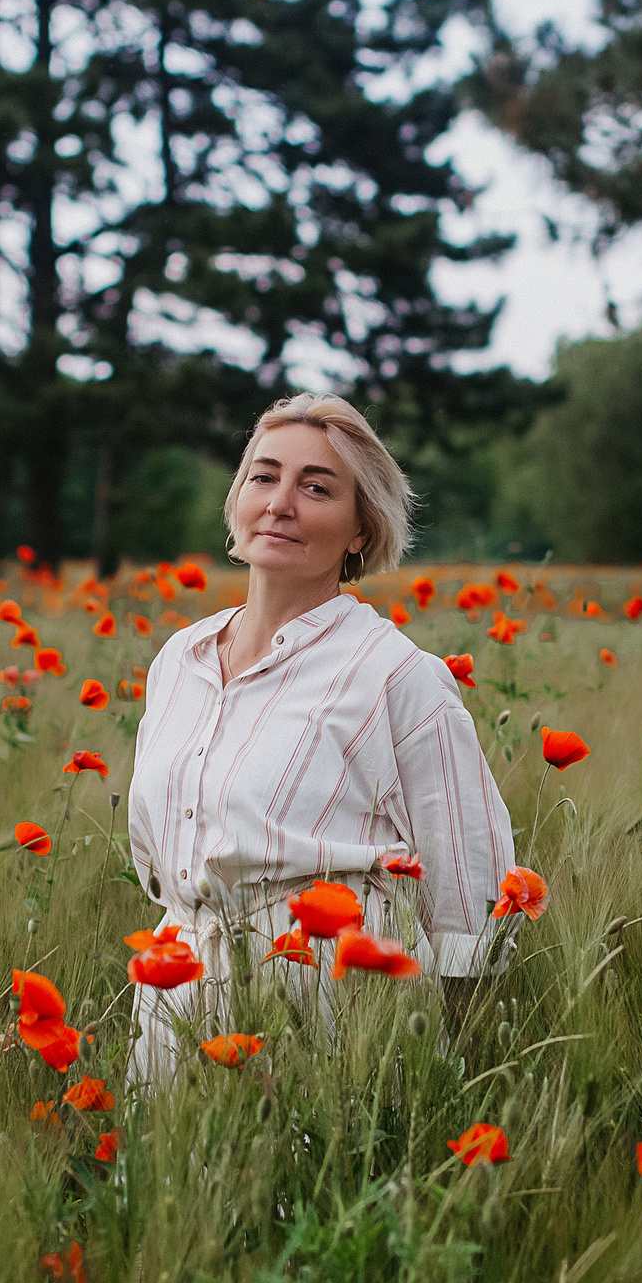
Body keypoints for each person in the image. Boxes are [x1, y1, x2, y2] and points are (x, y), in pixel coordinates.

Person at [124, 393, 514, 1082]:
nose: (280, 502)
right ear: (238, 496)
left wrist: (461, 1090)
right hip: (176, 1004)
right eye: (264, 476)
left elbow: (469, 905)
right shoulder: (177, 662)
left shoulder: (398, 677)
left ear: (361, 530)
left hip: (329, 1016)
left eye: (316, 486)